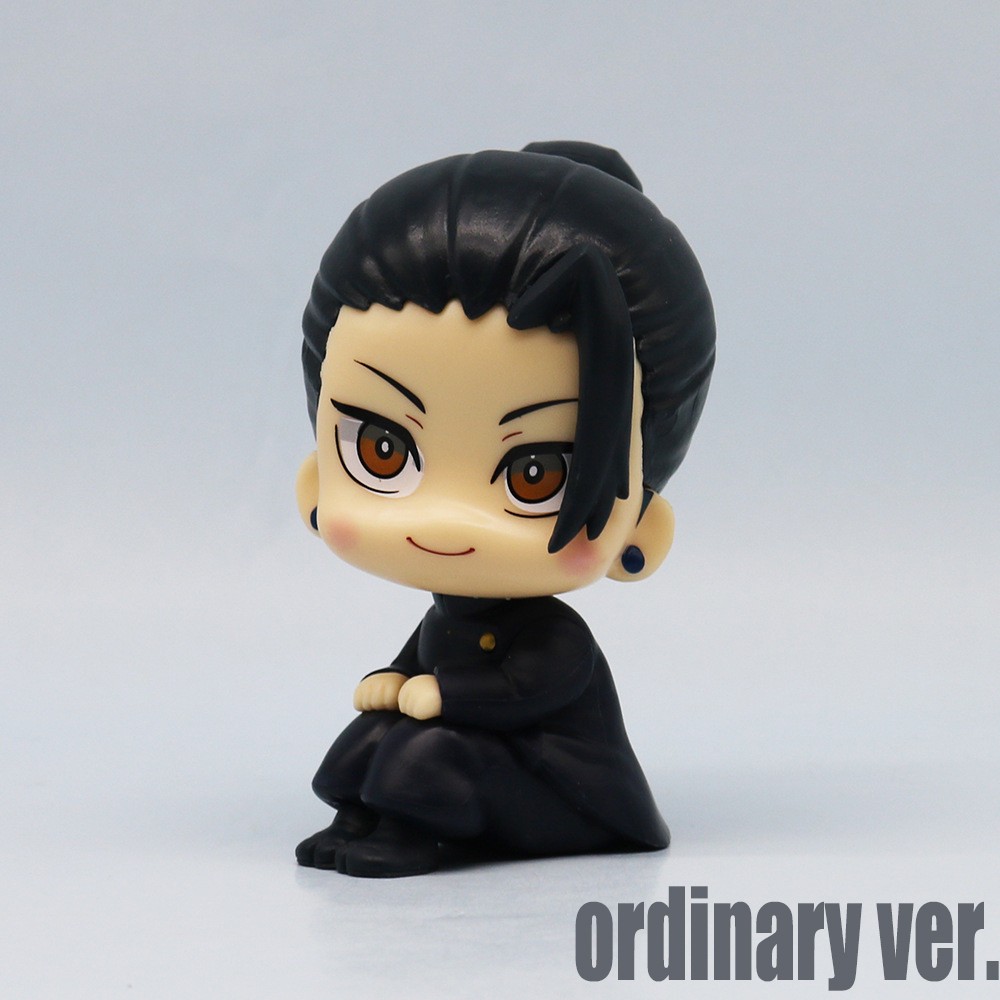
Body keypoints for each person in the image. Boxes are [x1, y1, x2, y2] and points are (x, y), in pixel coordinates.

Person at [293, 142, 715, 877]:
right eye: (383, 451)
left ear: (641, 531)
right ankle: (361, 817)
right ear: (316, 477)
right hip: (485, 760)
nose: (447, 519)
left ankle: (404, 831)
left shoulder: (556, 639)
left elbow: (523, 690)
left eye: (535, 475)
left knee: (430, 751)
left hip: (562, 794)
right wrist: (399, 679)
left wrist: (442, 693)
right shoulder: (448, 617)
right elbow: (423, 663)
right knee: (372, 738)